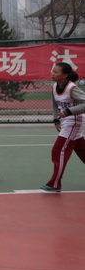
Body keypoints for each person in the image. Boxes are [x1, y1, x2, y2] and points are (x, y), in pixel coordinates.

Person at [41, 62, 85, 192]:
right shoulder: (55, 86)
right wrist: (56, 120)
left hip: (74, 122)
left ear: (65, 75)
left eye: (56, 72)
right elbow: (55, 104)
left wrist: (68, 112)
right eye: (52, 71)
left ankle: (54, 184)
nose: (52, 74)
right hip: (66, 122)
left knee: (58, 151)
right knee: (82, 150)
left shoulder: (72, 88)